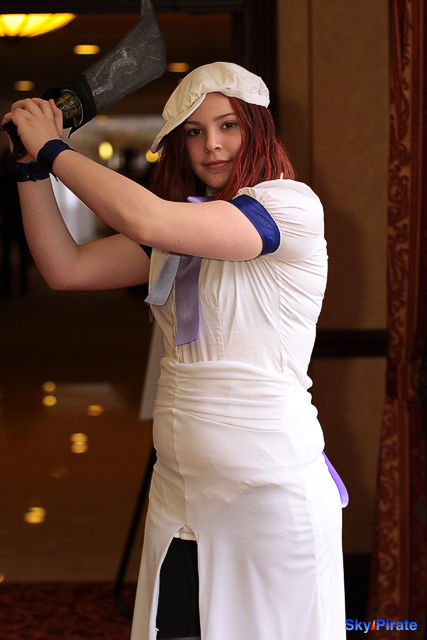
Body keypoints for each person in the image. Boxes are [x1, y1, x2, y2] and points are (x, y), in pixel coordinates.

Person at [2, 62, 347, 640]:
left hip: (267, 492)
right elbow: (67, 268)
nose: (212, 144)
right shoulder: (181, 228)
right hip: (179, 491)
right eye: (194, 131)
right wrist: (28, 167)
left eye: (228, 125)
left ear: (258, 129)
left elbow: (148, 218)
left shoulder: (290, 206)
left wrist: (53, 149)